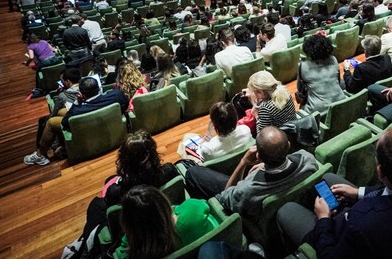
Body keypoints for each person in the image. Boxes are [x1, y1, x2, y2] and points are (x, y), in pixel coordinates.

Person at [276, 128, 392, 258]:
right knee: (330, 177)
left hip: (343, 237)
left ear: (380, 172)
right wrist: (359, 193)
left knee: (286, 210)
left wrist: (323, 220)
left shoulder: (361, 227)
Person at [183, 127, 319, 223]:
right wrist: (265, 165)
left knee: (193, 173)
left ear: (258, 156)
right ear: (288, 145)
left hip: (253, 219)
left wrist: (243, 162)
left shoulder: (248, 189)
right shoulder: (308, 159)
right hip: (290, 210)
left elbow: (224, 198)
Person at [24, 77, 128, 166]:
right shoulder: (117, 95)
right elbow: (125, 103)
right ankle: (62, 147)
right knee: (61, 112)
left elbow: (65, 122)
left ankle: (40, 154)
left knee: (51, 122)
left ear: (81, 94)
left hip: (87, 127)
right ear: (99, 88)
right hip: (110, 127)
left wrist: (77, 102)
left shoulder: (77, 111)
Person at [113, 185, 217, 259]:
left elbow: (123, 249)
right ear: (163, 202)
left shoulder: (131, 252)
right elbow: (204, 204)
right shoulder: (192, 213)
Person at [184, 102, 253, 163]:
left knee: (187, 138)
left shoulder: (207, 148)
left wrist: (207, 135)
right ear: (236, 117)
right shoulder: (246, 130)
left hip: (216, 171)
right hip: (238, 165)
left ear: (214, 124)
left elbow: (198, 150)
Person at [297, 33, 346, 113]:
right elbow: (338, 81)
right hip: (341, 102)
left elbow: (300, 89)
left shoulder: (303, 65)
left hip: (319, 110)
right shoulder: (333, 59)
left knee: (301, 106)